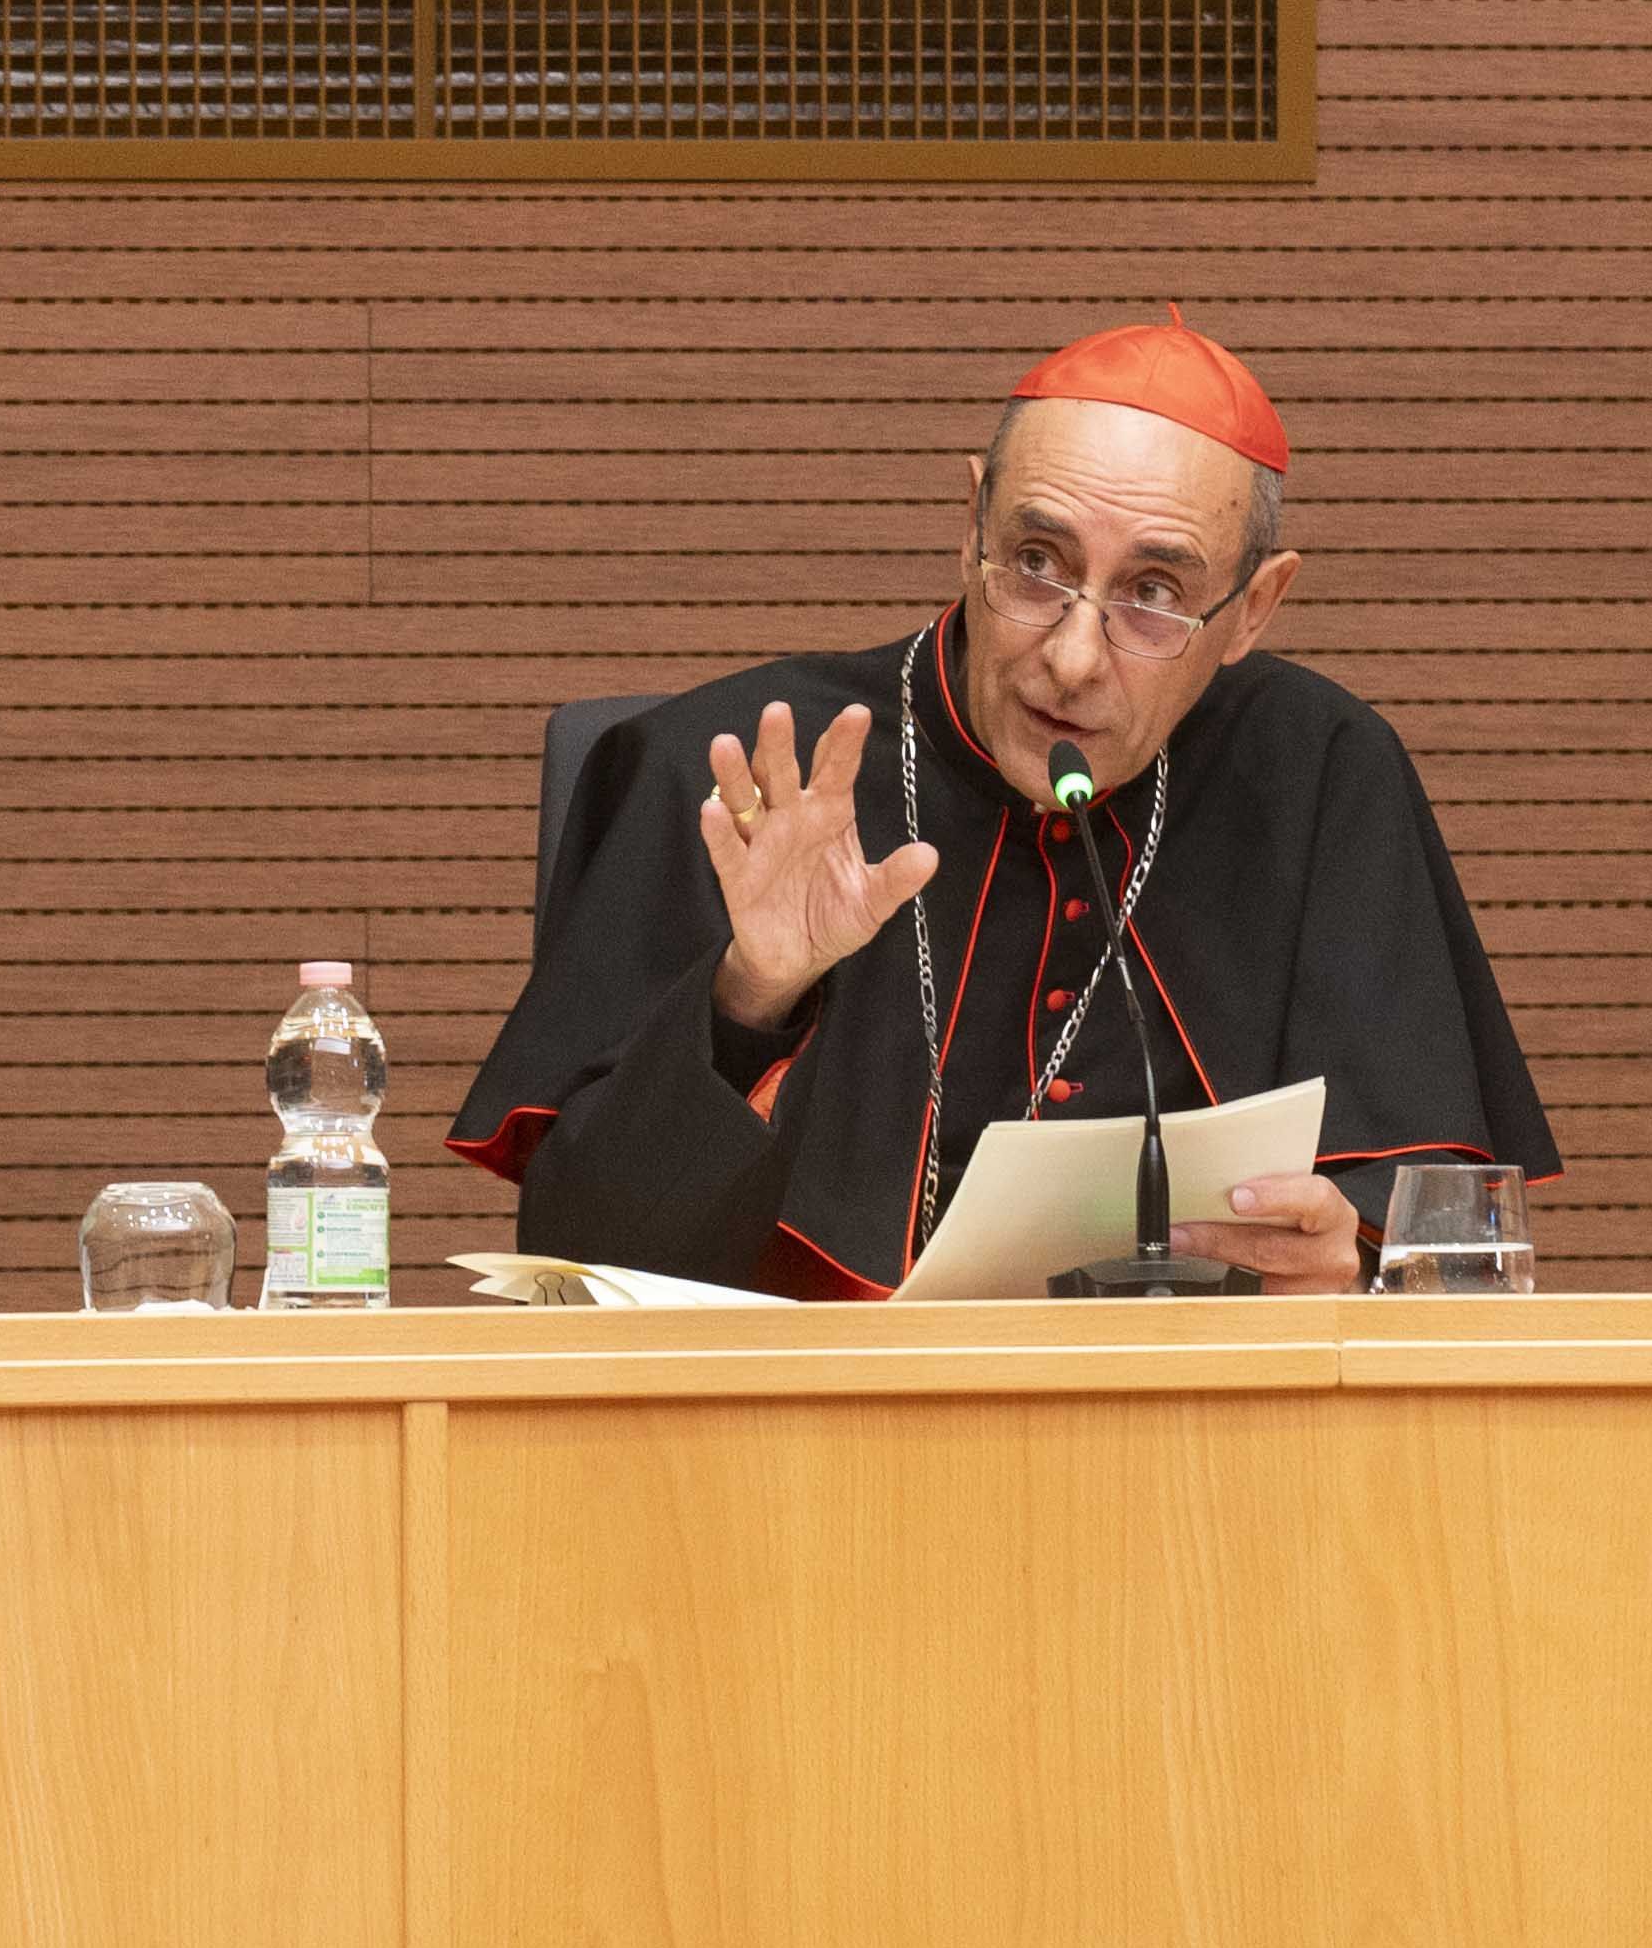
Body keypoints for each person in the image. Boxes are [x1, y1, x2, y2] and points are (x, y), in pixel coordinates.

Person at [453, 311, 1558, 1297]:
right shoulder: (739, 771)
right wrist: (749, 998)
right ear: (968, 523)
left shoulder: (1319, 773)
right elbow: (574, 1266)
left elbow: (1449, 1267)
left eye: (1155, 594)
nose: (1073, 659)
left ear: (1255, 607)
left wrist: (1350, 1264)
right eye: (1036, 562)